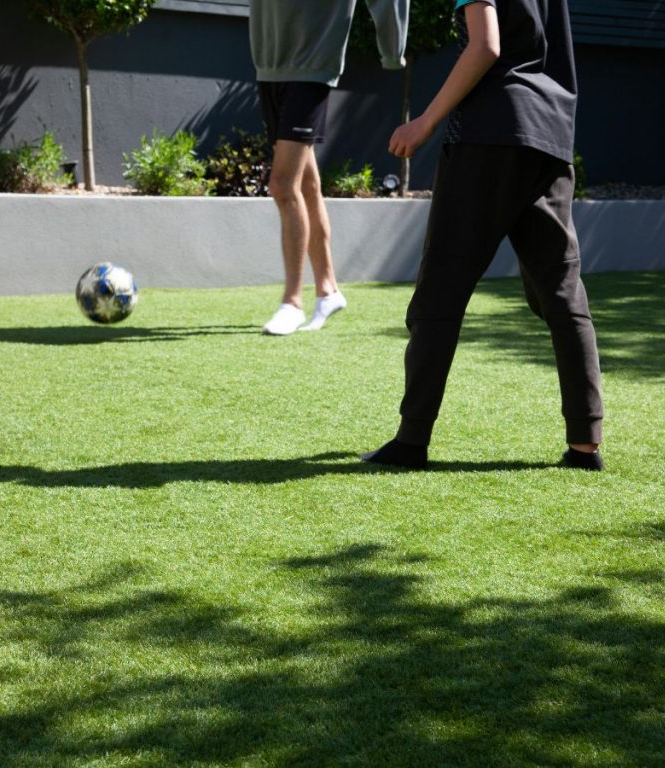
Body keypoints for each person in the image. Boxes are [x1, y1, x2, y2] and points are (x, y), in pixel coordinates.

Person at [362, 0, 604, 470]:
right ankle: (585, 445)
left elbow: (486, 44)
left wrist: (424, 122)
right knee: (564, 296)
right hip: (551, 138)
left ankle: (411, 442)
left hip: (488, 137)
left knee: (440, 294)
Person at [249, 0, 410, 335]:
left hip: (313, 64)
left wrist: (393, 50)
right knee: (306, 185)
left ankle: (291, 302)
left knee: (282, 185)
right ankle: (328, 290)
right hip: (269, 62)